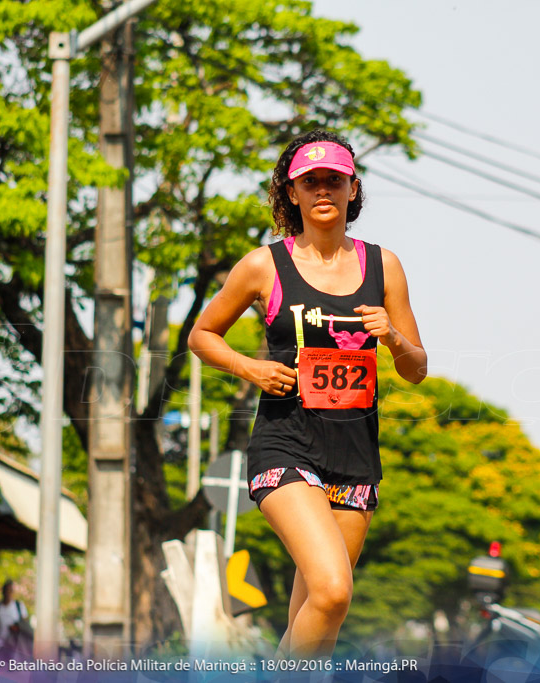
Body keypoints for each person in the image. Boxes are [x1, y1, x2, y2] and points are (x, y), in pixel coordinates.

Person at [189, 129, 427, 657]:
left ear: (352, 189)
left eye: (333, 181)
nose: (323, 191)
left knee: (318, 618)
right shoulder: (263, 265)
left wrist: (391, 336)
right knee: (333, 590)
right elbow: (201, 336)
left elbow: (416, 369)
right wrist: (251, 369)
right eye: (310, 182)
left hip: (355, 453)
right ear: (291, 193)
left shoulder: (383, 265)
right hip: (285, 444)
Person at [0, 579, 31, 659]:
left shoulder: (19, 606)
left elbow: (25, 624)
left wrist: (16, 627)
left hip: (15, 645)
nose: (8, 593)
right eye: (6, 590)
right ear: (2, 592)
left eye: (10, 591)